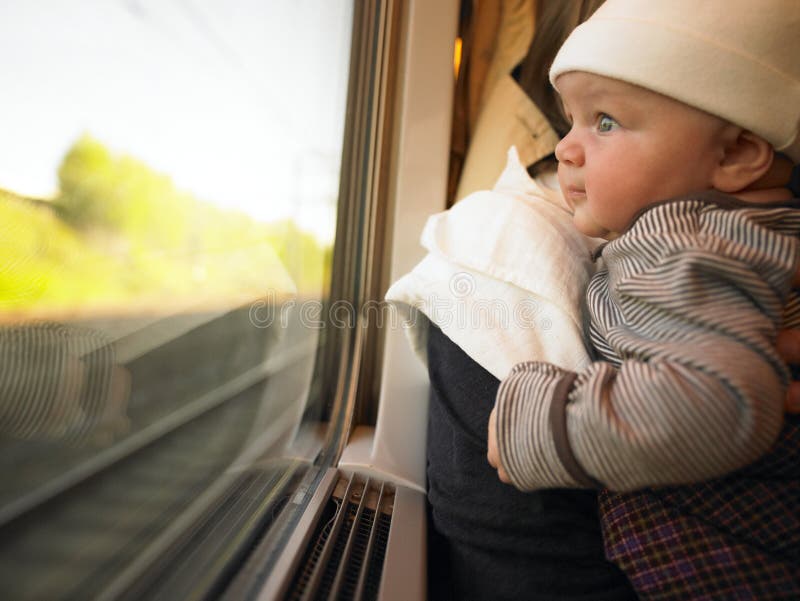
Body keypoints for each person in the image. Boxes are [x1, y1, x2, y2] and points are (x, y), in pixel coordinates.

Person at [487, 0, 800, 598]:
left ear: (734, 155)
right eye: (569, 121)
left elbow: (719, 404)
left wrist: (542, 424)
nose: (566, 150)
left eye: (604, 121)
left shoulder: (683, 241)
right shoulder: (747, 232)